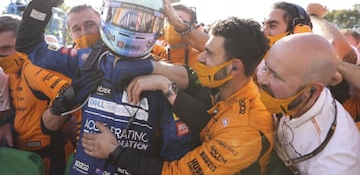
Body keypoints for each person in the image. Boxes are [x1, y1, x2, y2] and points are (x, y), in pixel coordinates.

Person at [16, 0, 198, 175]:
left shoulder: (162, 75)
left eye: (142, 20)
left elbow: (176, 152)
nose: (133, 26)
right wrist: (41, 5)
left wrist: (153, 72)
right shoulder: (87, 60)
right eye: (123, 16)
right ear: (108, 14)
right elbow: (30, 46)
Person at [80, 16, 274, 175]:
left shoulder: (244, 131)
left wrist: (114, 152)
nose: (201, 58)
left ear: (234, 67)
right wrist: (164, 83)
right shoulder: (232, 87)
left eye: (209, 53)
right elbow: (207, 118)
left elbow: (174, 173)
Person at [0, 14, 100, 175]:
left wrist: (84, 153)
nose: (1, 56)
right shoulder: (11, 72)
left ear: (21, 44)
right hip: (25, 159)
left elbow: (80, 100)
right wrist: (7, 125)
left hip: (51, 160)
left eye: (5, 48)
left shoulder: (33, 69)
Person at [257, 33, 360, 174]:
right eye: (266, 67)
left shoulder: (335, 161)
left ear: (312, 90)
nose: (262, 80)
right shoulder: (294, 79)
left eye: (275, 75)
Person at [153, 2, 201, 68]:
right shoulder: (154, 52)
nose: (172, 24)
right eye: (168, 19)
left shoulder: (199, 58)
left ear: (192, 27)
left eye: (178, 20)